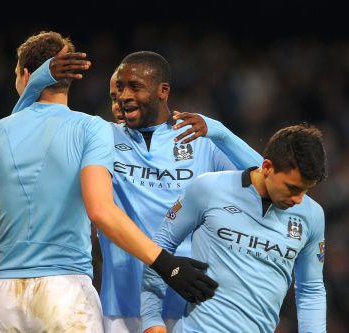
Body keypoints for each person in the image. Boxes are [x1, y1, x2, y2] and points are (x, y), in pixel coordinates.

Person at [0, 31, 218, 332]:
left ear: (25, 76)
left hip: (4, 296)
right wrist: (165, 263)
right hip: (65, 292)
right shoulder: (91, 129)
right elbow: (100, 211)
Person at [13, 50, 263, 332]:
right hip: (122, 306)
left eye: (134, 87)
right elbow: (20, 135)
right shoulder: (102, 138)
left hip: (192, 304)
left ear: (163, 91)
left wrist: (221, 132)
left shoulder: (199, 139)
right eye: (119, 89)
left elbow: (267, 181)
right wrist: (39, 81)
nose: (123, 96)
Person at [142, 124, 327, 333]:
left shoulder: (312, 215)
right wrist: (151, 318)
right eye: (292, 188)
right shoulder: (209, 188)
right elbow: (160, 246)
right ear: (266, 167)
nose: (298, 199)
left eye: (305, 191)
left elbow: (310, 290)